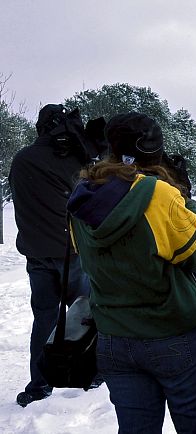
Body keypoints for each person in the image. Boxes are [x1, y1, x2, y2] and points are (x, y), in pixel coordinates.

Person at [66, 112, 196, 433]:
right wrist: (183, 196)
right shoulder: (159, 194)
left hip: (113, 339)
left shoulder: (82, 195)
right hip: (175, 336)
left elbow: (84, 253)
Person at [10, 104, 93, 407]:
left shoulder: (21, 159)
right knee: (85, 313)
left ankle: (39, 382)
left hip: (36, 254)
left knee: (43, 319)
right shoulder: (75, 160)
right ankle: (93, 370)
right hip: (71, 252)